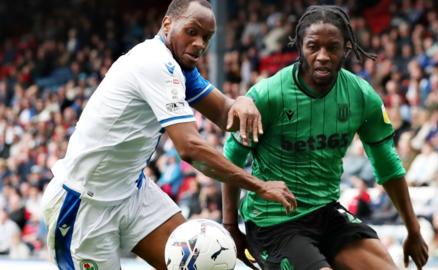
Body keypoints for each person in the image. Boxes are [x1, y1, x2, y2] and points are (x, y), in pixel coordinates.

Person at [41, 1, 297, 269]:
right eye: (191, 31)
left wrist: (242, 101)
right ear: (167, 24)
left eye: (206, 37)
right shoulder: (155, 63)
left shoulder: (181, 68)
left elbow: (224, 114)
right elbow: (190, 148)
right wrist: (259, 185)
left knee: (201, 260)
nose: (199, 43)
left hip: (131, 192)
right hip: (83, 204)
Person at [222, 5, 429, 270]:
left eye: (333, 47)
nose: (323, 56)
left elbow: (388, 164)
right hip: (273, 221)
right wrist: (230, 226)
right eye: (313, 47)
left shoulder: (360, 95)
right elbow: (231, 159)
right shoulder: (267, 95)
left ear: (347, 48)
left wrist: (413, 230)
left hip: (327, 212)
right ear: (299, 47)